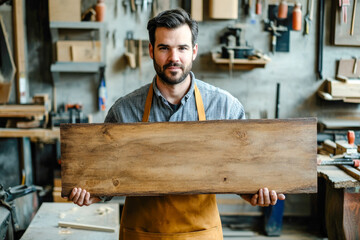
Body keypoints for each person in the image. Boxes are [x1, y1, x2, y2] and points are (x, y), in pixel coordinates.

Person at [68, 8, 286, 240]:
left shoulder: (224, 107)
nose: (174, 58)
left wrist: (254, 193)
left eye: (182, 48)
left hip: (201, 234)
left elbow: (243, 172)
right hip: (141, 234)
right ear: (151, 51)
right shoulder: (124, 111)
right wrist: (91, 194)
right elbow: (105, 175)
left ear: (193, 51)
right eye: (164, 48)